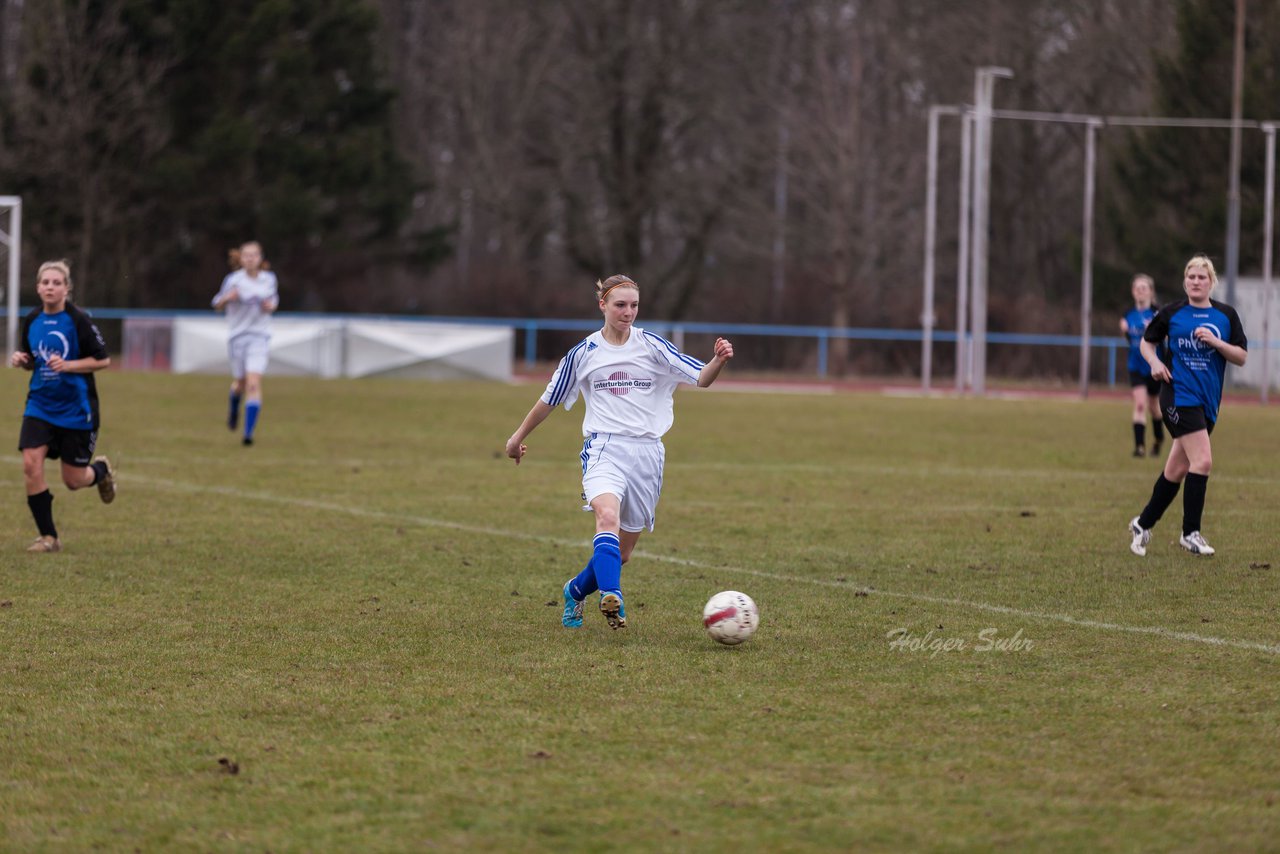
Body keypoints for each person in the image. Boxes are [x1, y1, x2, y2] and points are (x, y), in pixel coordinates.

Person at [505, 274, 734, 630]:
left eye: (634, 305)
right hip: (604, 447)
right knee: (606, 519)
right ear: (603, 306)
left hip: (647, 453)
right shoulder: (583, 354)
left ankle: (575, 590)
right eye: (620, 305)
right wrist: (516, 437)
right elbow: (549, 399)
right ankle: (613, 598)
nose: (628, 312)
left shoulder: (652, 346)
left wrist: (718, 360)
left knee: (622, 553)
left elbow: (700, 377)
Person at [1128, 254, 1247, 557]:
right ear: (1184, 281)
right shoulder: (1171, 313)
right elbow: (1146, 342)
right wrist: (1154, 362)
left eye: (1201, 277)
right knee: (1203, 461)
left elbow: (1241, 357)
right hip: (1178, 396)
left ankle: (1143, 524)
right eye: (1191, 276)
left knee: (1177, 468)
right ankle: (1190, 532)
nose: (1195, 281)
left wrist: (1216, 343)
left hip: (1207, 402)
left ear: (1211, 282)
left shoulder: (1225, 316)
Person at [9, 259, 116, 552]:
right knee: (31, 464)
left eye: (57, 283)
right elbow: (34, 361)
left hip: (76, 409)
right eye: (46, 282)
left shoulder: (79, 320)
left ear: (66, 288)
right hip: (40, 405)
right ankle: (49, 537)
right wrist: (23, 361)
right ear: (38, 287)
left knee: (74, 480)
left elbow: (103, 360)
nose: (50, 287)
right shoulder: (32, 320)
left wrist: (69, 365)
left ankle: (101, 472)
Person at [211, 241, 278, 445]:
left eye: (254, 255)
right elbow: (216, 304)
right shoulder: (233, 280)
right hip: (238, 337)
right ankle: (234, 409)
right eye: (246, 255)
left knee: (253, 383)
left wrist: (270, 306)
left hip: (259, 337)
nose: (250, 259)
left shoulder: (269, 279)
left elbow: (274, 302)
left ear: (260, 258)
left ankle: (248, 434)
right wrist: (227, 299)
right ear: (240, 258)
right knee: (240, 383)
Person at [1120, 274, 1165, 457]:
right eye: (1137, 288)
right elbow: (1131, 341)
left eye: (1144, 288)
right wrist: (1124, 332)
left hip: (1154, 366)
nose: (1140, 291)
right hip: (1135, 366)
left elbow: (1167, 338)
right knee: (1139, 404)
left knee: (1154, 406)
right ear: (1133, 291)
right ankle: (1139, 447)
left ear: (1151, 292)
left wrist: (1155, 331)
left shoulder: (1158, 314)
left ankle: (1158, 439)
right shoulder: (1127, 315)